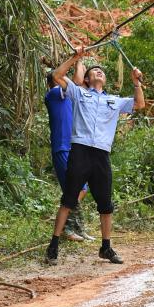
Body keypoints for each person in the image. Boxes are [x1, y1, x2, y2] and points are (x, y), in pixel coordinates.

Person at [45, 45, 144, 266]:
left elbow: (139, 103)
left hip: (101, 154)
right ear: (87, 80)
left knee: (105, 204)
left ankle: (106, 247)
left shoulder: (114, 101)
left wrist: (136, 82)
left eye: (102, 71)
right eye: (94, 71)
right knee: (68, 199)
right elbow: (57, 75)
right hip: (79, 150)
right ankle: (53, 245)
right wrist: (76, 58)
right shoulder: (79, 93)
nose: (99, 72)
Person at [44, 71, 93, 242]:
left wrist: (80, 60)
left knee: (83, 188)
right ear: (54, 81)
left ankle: (77, 226)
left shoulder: (68, 97)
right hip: (62, 148)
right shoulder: (54, 94)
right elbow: (79, 81)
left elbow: (79, 83)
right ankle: (67, 227)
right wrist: (77, 58)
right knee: (76, 189)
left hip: (73, 148)